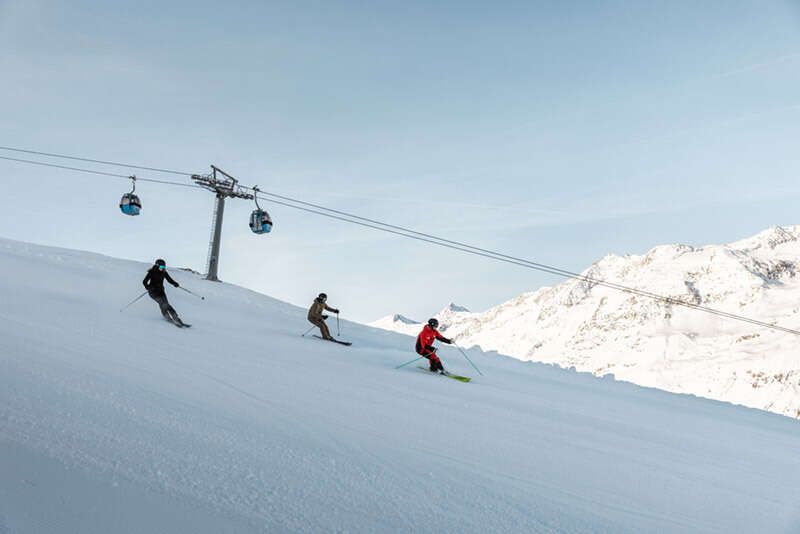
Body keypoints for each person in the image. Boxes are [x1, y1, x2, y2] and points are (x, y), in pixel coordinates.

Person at [143, 259, 184, 325]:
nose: (163, 268)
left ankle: (172, 316)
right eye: (161, 267)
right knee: (164, 304)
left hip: (161, 291)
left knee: (165, 304)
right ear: (157, 266)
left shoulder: (164, 272)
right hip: (153, 292)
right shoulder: (152, 272)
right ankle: (170, 316)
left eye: (164, 267)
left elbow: (169, 280)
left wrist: (175, 283)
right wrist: (148, 287)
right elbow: (144, 281)